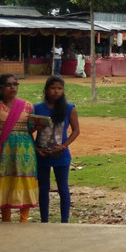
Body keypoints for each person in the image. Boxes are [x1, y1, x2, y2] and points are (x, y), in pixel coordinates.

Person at [0, 74, 40, 222]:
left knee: (24, 179)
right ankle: (6, 218)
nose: (13, 87)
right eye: (9, 84)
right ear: (0, 88)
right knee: (5, 179)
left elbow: (30, 129)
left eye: (15, 84)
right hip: (3, 150)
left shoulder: (28, 106)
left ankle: (24, 218)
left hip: (24, 150)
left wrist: (38, 126)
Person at [34, 76, 80, 223]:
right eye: (53, 88)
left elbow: (76, 131)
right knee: (43, 189)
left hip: (61, 154)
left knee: (63, 189)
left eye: (59, 88)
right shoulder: (38, 108)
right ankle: (44, 220)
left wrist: (64, 146)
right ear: (46, 90)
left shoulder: (69, 108)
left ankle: (64, 221)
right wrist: (36, 148)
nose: (56, 91)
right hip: (42, 154)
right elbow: (28, 131)